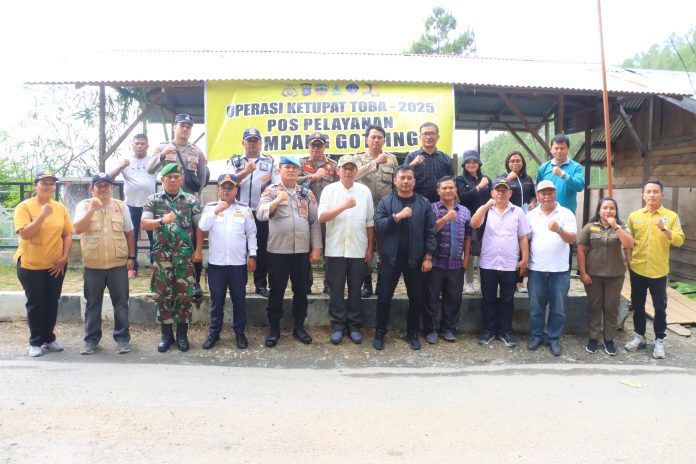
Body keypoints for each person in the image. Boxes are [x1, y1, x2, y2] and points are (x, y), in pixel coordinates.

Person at [256, 156, 322, 347]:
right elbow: (260, 214)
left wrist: (316, 247)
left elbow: (314, 222)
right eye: (287, 167)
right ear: (279, 170)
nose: (291, 170)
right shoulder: (271, 191)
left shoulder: (306, 193)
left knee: (301, 292)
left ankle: (299, 327)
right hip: (278, 251)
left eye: (294, 168)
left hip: (301, 252)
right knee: (276, 292)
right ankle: (274, 329)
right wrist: (276, 201)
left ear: (299, 171)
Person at [373, 165, 436, 351]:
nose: (406, 181)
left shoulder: (424, 203)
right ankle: (380, 332)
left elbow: (430, 232)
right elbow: (378, 225)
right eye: (402, 178)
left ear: (414, 181)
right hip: (390, 259)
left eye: (409, 178)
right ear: (395, 181)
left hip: (415, 260)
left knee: (416, 299)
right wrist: (397, 217)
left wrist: (428, 257)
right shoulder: (386, 202)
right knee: (384, 298)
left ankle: (412, 333)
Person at [141, 163, 203, 353]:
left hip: (184, 258)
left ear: (181, 179)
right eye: (169, 177)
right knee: (163, 295)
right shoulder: (153, 200)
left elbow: (199, 227)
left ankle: (182, 335)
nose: (173, 180)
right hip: (162, 257)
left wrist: (198, 251)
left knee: (185, 295)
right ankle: (166, 335)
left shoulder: (191, 200)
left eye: (176, 177)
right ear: (162, 179)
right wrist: (162, 220)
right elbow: (145, 223)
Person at [73, 173, 136, 355]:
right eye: (99, 185)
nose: (103, 188)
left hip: (118, 265)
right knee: (93, 304)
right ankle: (91, 340)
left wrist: (131, 257)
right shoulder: (83, 205)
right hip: (93, 265)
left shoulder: (121, 206)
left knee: (121, 303)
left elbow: (129, 232)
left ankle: (122, 339)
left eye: (106, 185)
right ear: (91, 188)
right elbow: (78, 229)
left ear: (111, 187)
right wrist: (92, 210)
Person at [147, 114, 207, 298]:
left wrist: (195, 196)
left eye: (189, 126)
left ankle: (194, 282)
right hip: (166, 204)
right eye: (182, 125)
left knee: (192, 242)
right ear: (174, 127)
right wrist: (163, 154)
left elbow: (202, 177)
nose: (185, 129)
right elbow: (150, 169)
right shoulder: (162, 147)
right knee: (163, 241)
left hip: (188, 204)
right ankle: (162, 280)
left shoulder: (197, 151)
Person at [14, 170, 73, 358]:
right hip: (31, 265)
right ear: (36, 185)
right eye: (44, 183)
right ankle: (35, 342)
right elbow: (25, 234)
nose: (48, 186)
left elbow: (67, 234)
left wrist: (64, 257)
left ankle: (48, 338)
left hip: (56, 265)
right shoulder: (24, 207)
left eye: (51, 183)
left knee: (51, 302)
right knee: (36, 304)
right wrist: (42, 214)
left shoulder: (60, 207)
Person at [624, 180, 685, 359]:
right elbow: (628, 241)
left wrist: (664, 228)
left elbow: (679, 240)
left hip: (659, 270)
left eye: (655, 191)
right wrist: (628, 260)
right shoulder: (634, 216)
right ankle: (640, 336)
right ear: (643, 195)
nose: (651, 195)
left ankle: (659, 340)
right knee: (637, 304)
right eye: (648, 191)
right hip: (637, 269)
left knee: (660, 307)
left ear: (662, 195)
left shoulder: (671, 216)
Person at [318, 155, 374, 345]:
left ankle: (354, 326)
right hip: (335, 249)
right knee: (336, 290)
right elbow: (322, 217)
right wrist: (344, 206)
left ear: (356, 171)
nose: (348, 171)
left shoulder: (364, 191)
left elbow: (370, 222)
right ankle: (338, 326)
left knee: (356, 290)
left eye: (352, 168)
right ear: (338, 170)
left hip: (358, 248)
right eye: (345, 168)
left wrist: (370, 248)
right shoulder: (329, 190)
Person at [198, 174, 257, 350]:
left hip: (238, 265)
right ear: (218, 190)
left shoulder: (244, 209)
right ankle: (214, 332)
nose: (226, 190)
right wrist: (216, 211)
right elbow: (202, 227)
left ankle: (239, 333)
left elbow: (251, 234)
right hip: (217, 265)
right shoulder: (210, 208)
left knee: (239, 300)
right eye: (223, 187)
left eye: (230, 187)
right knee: (217, 300)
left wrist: (253, 255)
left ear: (236, 190)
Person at [470, 175, 530, 348]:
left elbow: (523, 237)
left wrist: (524, 259)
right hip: (488, 263)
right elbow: (474, 224)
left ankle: (506, 332)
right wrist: (486, 206)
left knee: (507, 299)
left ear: (510, 193)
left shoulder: (518, 212)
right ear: (492, 192)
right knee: (488, 298)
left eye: (505, 190)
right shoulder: (486, 210)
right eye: (498, 190)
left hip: (509, 264)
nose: (501, 193)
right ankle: (488, 331)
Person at [577, 197, 634, 356]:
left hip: (615, 276)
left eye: (612, 208)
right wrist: (583, 272)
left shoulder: (621, 227)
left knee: (611, 308)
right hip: (593, 276)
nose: (608, 211)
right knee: (594, 307)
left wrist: (616, 227)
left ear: (616, 211)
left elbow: (629, 244)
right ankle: (593, 339)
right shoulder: (589, 227)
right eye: (605, 208)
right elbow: (581, 250)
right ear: (599, 210)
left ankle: (609, 340)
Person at [526, 180, 577, 356]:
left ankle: (553, 338)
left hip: (560, 270)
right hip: (536, 269)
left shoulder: (566, 213)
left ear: (555, 194)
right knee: (536, 307)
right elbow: (525, 239)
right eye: (543, 193)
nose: (547, 196)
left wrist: (559, 229)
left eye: (550, 192)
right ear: (537, 195)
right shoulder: (531, 215)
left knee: (558, 308)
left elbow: (572, 239)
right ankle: (537, 336)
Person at [227, 127, 275, 298]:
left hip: (261, 211)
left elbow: (276, 185)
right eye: (249, 141)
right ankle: (239, 284)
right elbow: (228, 182)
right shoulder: (235, 161)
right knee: (240, 247)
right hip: (239, 211)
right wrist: (246, 171)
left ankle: (260, 284)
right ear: (243, 143)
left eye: (255, 141)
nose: (252, 144)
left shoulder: (270, 161)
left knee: (261, 248)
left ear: (260, 143)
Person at [424, 176, 471, 344]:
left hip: (456, 263)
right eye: (444, 188)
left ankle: (449, 329)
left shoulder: (464, 211)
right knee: (431, 297)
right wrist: (445, 218)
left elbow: (468, 237)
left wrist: (466, 259)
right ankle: (431, 329)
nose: (448, 190)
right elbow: (428, 232)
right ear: (438, 191)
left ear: (456, 190)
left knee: (453, 298)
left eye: (451, 187)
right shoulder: (431, 208)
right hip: (435, 262)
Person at [355, 124, 399, 298]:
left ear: (384, 140)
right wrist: (375, 163)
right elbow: (354, 175)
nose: (376, 140)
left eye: (379, 137)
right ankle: (366, 283)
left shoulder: (392, 159)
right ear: (366, 139)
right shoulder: (357, 158)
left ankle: (382, 283)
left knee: (384, 248)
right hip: (363, 210)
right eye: (373, 137)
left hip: (384, 211)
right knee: (364, 247)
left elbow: (396, 183)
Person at [109, 133, 157, 278]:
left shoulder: (152, 161)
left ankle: (155, 266)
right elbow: (110, 177)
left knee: (154, 237)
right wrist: (121, 166)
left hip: (150, 205)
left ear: (147, 146)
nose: (140, 146)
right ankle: (132, 267)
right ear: (132, 145)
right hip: (130, 205)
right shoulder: (125, 160)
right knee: (131, 236)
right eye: (137, 143)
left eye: (143, 143)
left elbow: (168, 166)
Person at [298, 132, 338, 295]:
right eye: (313, 144)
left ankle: (329, 284)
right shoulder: (300, 163)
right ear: (308, 146)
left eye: (319, 144)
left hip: (327, 215)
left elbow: (340, 186)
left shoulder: (333, 166)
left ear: (325, 146)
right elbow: (292, 181)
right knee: (305, 250)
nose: (316, 148)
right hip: (305, 214)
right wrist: (313, 177)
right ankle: (305, 285)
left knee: (330, 250)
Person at [455, 150, 491, 294]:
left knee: (484, 252)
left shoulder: (486, 179)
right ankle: (469, 283)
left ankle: (484, 283)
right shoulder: (460, 180)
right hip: (467, 220)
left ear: (479, 164)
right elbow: (463, 197)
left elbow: (492, 197)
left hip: (486, 220)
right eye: (468, 162)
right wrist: (479, 186)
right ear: (464, 164)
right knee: (468, 252)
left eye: (474, 162)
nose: (471, 164)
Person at [504, 150, 536, 293]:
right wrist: (508, 180)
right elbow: (497, 192)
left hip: (525, 216)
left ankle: (519, 282)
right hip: (508, 217)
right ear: (507, 163)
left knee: (524, 245)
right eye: (512, 161)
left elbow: (533, 196)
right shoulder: (503, 177)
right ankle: (508, 279)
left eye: (518, 161)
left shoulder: (528, 179)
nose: (515, 163)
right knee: (511, 247)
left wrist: (533, 202)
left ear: (523, 163)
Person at [403, 122, 454, 203]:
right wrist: (412, 165)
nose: (428, 137)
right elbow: (402, 177)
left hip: (441, 203)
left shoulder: (446, 158)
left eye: (432, 133)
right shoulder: (412, 157)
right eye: (425, 134)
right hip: (416, 202)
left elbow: (451, 182)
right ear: (420, 137)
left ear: (438, 137)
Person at [535, 134, 585, 215]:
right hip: (545, 214)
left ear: (568, 149)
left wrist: (562, 174)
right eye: (556, 148)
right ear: (551, 149)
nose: (559, 151)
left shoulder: (576, 167)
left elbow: (579, 186)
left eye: (562, 148)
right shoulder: (543, 168)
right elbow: (538, 189)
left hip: (567, 214)